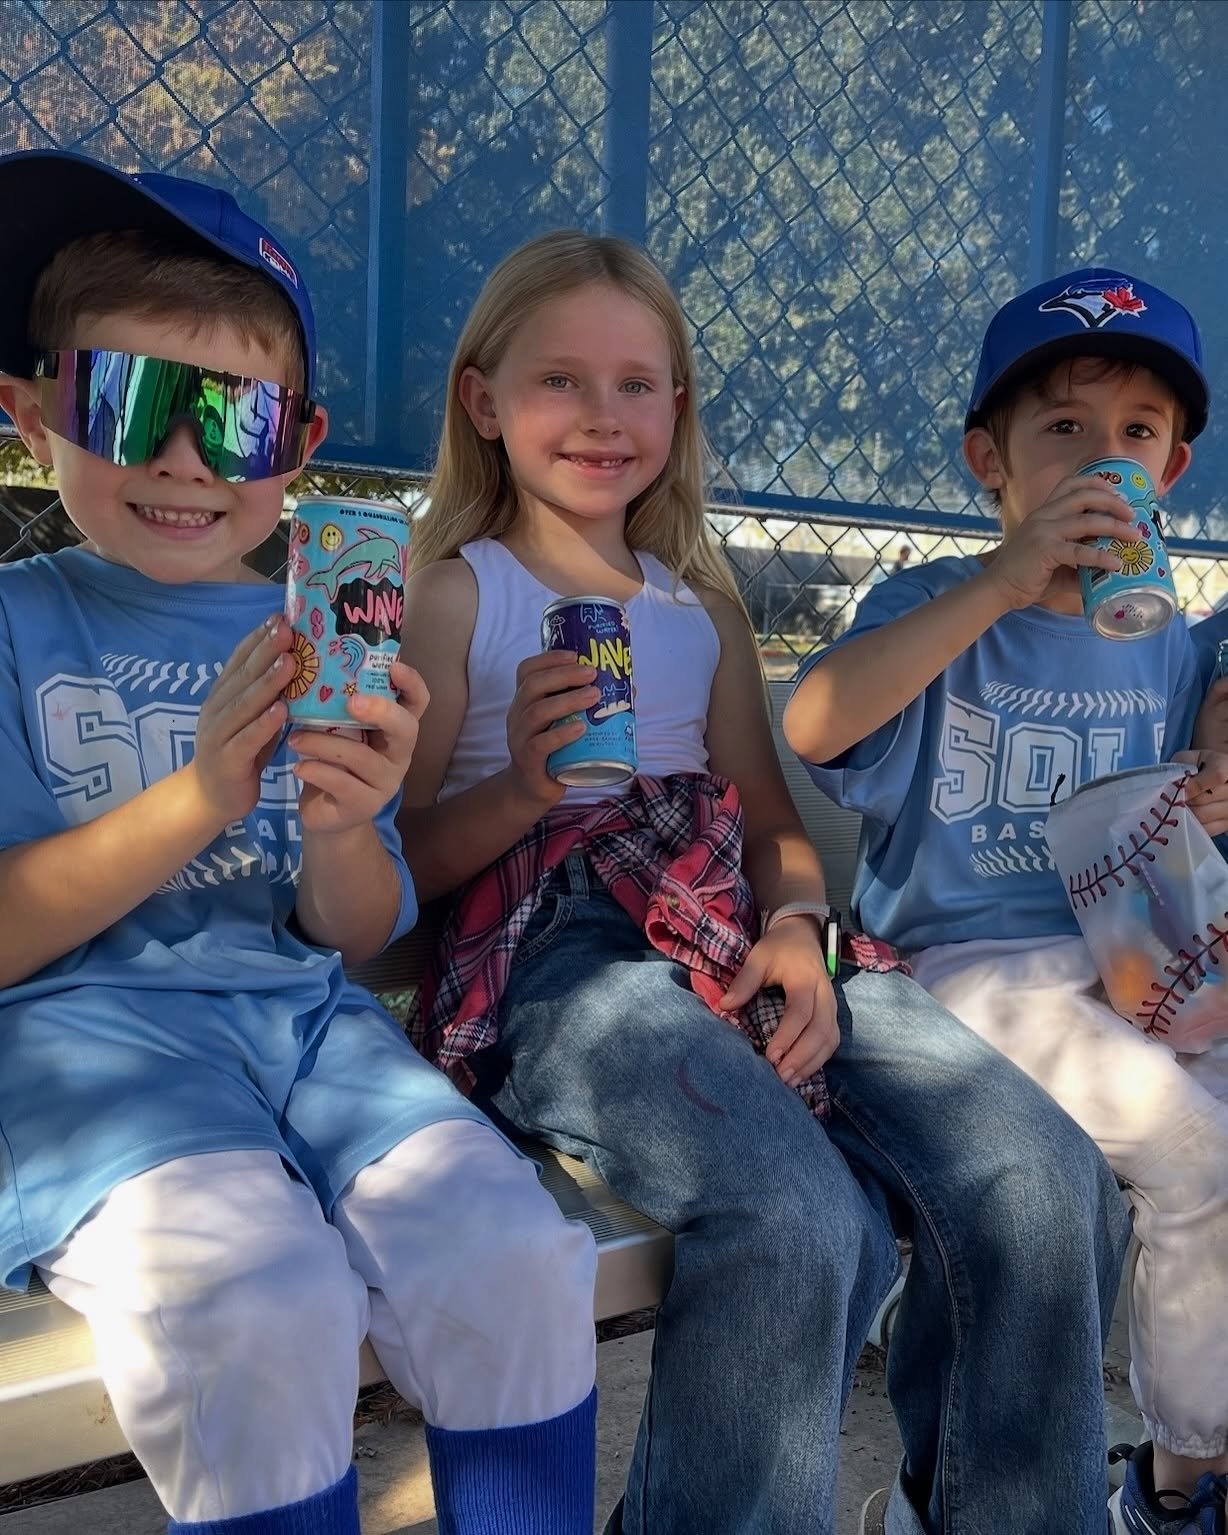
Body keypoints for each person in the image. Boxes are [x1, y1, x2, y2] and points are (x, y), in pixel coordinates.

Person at [397, 229, 1130, 1535]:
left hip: (741, 930)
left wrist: (799, 922)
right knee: (803, 1212)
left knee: (1045, 1170)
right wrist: (521, 785)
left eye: (640, 383)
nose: (603, 415)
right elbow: (395, 886)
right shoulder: (459, 594)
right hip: (560, 953)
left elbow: (775, 824)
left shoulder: (701, 610)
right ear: (483, 402)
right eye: (560, 380)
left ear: (678, 410)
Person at [0, 149, 598, 1535]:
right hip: (92, 1055)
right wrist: (202, 794)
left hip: (309, 1031)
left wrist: (341, 819)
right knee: (262, 1297)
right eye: (131, 398)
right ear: (32, 416)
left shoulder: (325, 627)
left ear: (301, 444)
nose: (184, 458)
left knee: (511, 1247)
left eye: (238, 418)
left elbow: (358, 925)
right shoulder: (21, 623)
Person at [785, 266, 1228, 1535]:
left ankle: (1156, 1479)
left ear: (1174, 467)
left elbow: (1157, 794)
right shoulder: (930, 602)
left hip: (1121, 954)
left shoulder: (1159, 630)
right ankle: (1183, 1479)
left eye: (1135, 433)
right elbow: (813, 724)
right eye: (1065, 429)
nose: (1104, 458)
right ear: (992, 458)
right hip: (954, 966)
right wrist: (998, 579)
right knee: (1190, 1160)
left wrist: (1195, 791)